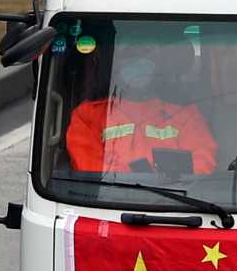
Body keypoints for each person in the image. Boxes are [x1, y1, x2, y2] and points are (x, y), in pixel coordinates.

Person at [62, 47, 222, 179]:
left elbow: (203, 161)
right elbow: (89, 167)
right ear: (116, 67)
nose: (138, 64)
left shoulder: (186, 115)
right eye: (129, 56)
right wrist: (136, 181)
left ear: (158, 66)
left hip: (176, 202)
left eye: (145, 55)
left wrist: (163, 184)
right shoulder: (88, 115)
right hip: (109, 202)